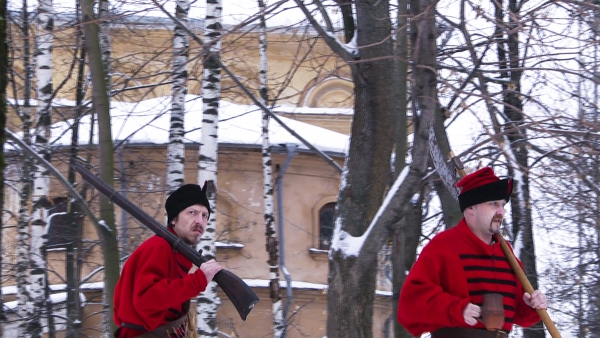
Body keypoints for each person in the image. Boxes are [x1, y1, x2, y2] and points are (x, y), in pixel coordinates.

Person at [397, 167, 548, 338]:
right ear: (471, 208)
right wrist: (456, 310)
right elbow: (410, 305)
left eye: (503, 205)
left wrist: (531, 306)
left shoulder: (506, 254)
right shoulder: (443, 246)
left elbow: (517, 313)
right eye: (493, 203)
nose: (501, 211)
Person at [113, 183, 223, 338]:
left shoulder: (175, 252)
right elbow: (146, 300)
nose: (200, 221)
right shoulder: (160, 247)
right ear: (174, 219)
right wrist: (197, 281)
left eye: (204, 215)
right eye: (192, 212)